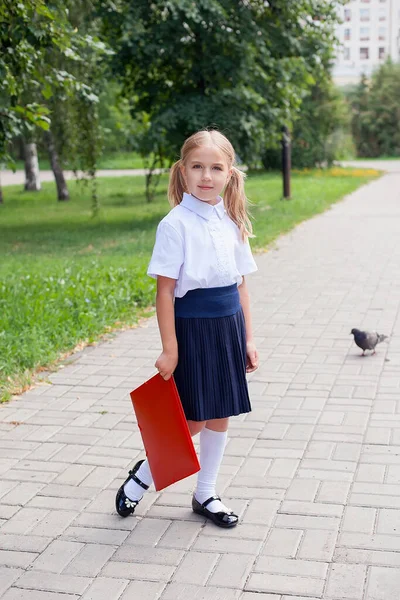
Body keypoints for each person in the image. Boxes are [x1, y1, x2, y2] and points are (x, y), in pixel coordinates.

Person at [115, 129, 258, 528]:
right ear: (183, 171)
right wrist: (169, 347)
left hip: (228, 326)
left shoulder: (232, 220)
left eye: (216, 168)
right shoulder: (174, 224)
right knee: (191, 418)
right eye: (197, 167)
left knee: (221, 414)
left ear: (230, 173)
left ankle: (205, 493)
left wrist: (248, 338)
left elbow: (241, 284)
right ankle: (142, 477)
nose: (206, 176)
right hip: (192, 328)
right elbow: (164, 292)